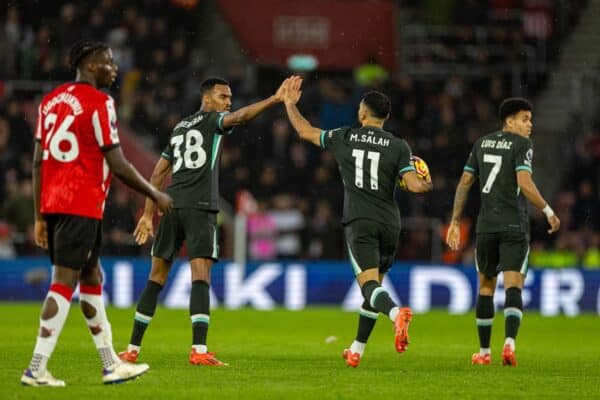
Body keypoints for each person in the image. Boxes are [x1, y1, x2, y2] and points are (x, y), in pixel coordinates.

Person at [21, 40, 173, 387]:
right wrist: (154, 193)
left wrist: (40, 215)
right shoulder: (100, 103)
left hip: (56, 202)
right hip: (81, 202)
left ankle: (111, 364)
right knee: (64, 283)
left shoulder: (50, 101)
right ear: (90, 66)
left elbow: (37, 161)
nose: (114, 68)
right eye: (108, 62)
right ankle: (36, 367)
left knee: (92, 278)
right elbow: (116, 162)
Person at [118, 76, 293, 367]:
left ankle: (131, 349)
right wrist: (274, 100)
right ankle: (199, 350)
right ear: (207, 98)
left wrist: (149, 214)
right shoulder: (214, 122)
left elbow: (158, 174)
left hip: (172, 205)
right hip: (200, 207)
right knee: (200, 276)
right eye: (223, 96)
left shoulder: (179, 128)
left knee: (155, 278)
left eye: (229, 97)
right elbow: (241, 116)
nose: (228, 102)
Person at [280, 78, 432, 368]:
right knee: (376, 287)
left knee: (368, 287)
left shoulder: (345, 137)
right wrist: (427, 181)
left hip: (360, 221)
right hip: (390, 224)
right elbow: (414, 185)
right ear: (385, 117)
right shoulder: (399, 146)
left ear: (363, 113)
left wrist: (289, 104)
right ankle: (356, 350)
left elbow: (305, 131)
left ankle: (397, 314)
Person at [445, 97, 560, 367]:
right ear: (509, 121)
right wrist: (547, 210)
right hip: (514, 226)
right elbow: (525, 183)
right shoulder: (522, 145)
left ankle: (484, 353)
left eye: (530, 119)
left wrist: (454, 221)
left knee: (485, 287)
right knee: (513, 286)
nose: (530, 125)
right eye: (524, 119)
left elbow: (464, 183)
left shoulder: (481, 143)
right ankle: (509, 345)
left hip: (486, 227)